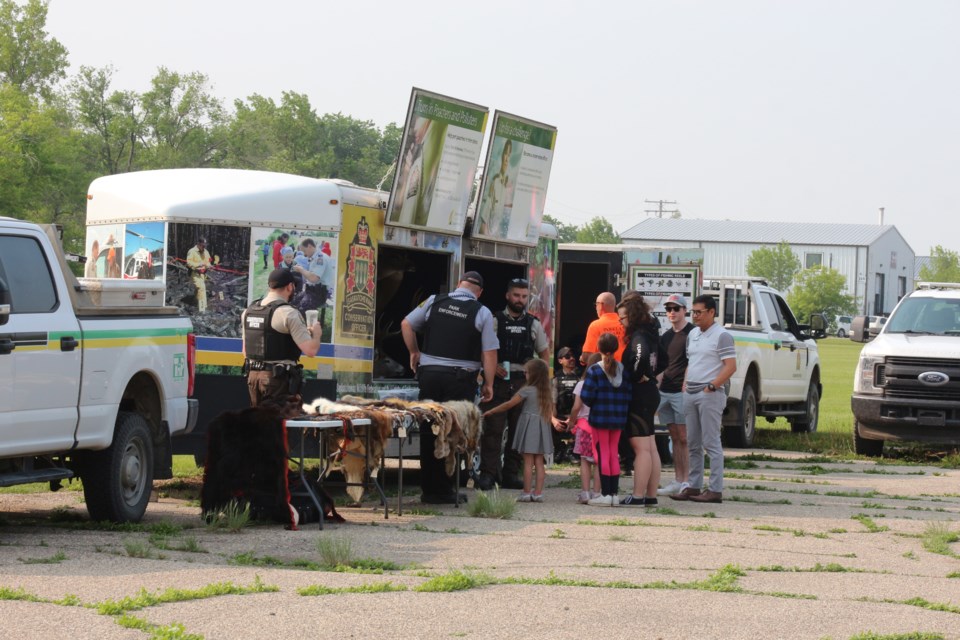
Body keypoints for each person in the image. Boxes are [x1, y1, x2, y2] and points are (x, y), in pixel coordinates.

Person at [401, 271, 499, 505]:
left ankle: (429, 490)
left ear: (458, 285)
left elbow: (406, 323)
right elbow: (489, 352)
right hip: (459, 380)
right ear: (480, 292)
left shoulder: (435, 300)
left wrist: (414, 352)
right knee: (452, 432)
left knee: (429, 429)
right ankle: (445, 491)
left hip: (430, 375)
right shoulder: (481, 312)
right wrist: (489, 383)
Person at [477, 277, 550, 491]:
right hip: (498, 382)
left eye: (524, 296)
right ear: (508, 295)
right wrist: (490, 368)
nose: (520, 300)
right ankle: (488, 475)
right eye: (516, 295)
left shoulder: (533, 323)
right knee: (492, 430)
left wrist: (540, 379)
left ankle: (510, 475)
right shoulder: (494, 320)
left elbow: (544, 354)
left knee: (521, 431)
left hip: (524, 383)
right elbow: (482, 348)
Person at [670, 294, 737, 504]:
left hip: (709, 395)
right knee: (693, 443)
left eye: (699, 312)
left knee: (711, 443)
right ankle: (693, 486)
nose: (695, 316)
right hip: (690, 392)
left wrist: (712, 386)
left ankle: (715, 490)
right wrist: (685, 383)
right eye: (693, 312)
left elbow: (730, 366)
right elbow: (692, 361)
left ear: (711, 312)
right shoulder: (694, 334)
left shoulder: (722, 335)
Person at [242, 269, 322, 408]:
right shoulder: (288, 313)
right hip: (277, 380)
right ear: (290, 286)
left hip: (253, 378)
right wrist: (316, 334)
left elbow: (245, 351)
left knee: (257, 423)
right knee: (278, 425)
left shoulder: (248, 312)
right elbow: (310, 350)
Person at [616, 294, 667, 507]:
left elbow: (641, 356)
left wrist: (637, 375)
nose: (620, 322)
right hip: (650, 392)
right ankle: (650, 495)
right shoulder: (652, 333)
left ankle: (637, 496)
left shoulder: (638, 337)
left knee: (641, 448)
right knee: (650, 447)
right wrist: (652, 375)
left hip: (639, 394)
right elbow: (664, 358)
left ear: (632, 316)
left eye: (622, 318)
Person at [482, 358, 554, 502]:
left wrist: (491, 411)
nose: (524, 375)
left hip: (530, 428)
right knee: (539, 462)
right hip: (541, 428)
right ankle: (538, 493)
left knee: (528, 462)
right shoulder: (546, 392)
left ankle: (526, 492)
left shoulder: (526, 390)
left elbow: (508, 404)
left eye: (526, 373)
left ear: (532, 375)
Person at [578, 332, 632, 506]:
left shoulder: (594, 370)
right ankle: (614, 494)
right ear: (616, 349)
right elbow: (629, 394)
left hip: (600, 418)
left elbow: (586, 395)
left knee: (602, 454)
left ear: (598, 348)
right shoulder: (623, 369)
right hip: (618, 418)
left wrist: (596, 403)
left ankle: (606, 494)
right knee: (613, 454)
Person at [657, 294, 695, 496]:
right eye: (669, 309)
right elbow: (662, 365)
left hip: (682, 391)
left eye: (676, 308)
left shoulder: (693, 333)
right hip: (666, 391)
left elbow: (693, 361)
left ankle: (687, 480)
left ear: (684, 311)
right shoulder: (666, 336)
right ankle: (677, 478)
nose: (672, 312)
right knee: (673, 435)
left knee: (684, 437)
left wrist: (686, 383)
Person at [553, 352, 602, 503]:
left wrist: (572, 421)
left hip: (585, 427)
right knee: (599, 462)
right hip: (601, 427)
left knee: (585, 461)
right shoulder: (606, 383)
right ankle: (597, 493)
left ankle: (585, 493)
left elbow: (576, 408)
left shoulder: (582, 384)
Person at [477, 139, 513, 238]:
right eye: (505, 154)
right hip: (488, 232)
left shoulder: (509, 185)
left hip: (497, 233)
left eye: (509, 155)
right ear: (502, 156)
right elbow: (487, 210)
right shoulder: (495, 180)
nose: (506, 159)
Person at [580, 292, 626, 365]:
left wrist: (582, 359)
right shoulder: (624, 324)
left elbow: (587, 356)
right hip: (623, 370)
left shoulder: (595, 325)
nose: (596, 308)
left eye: (596, 305)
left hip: (603, 371)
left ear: (600, 305)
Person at [552, 346, 580, 462]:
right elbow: (551, 403)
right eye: (567, 357)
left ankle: (571, 450)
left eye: (573, 356)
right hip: (560, 416)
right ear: (560, 361)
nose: (572, 359)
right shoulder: (555, 378)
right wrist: (553, 420)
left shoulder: (580, 377)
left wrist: (573, 419)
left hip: (576, 417)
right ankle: (559, 449)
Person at [293, 238, 329, 317]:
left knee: (302, 309)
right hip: (310, 291)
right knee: (293, 303)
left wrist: (301, 270)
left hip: (319, 293)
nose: (304, 254)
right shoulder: (314, 258)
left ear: (309, 246)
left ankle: (306, 327)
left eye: (304, 251)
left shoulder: (320, 258)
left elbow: (314, 278)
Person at [186, 238, 212, 312]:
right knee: (201, 288)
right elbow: (188, 263)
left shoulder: (206, 251)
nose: (204, 247)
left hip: (203, 274)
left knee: (199, 289)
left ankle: (195, 302)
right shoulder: (192, 251)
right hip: (195, 273)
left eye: (205, 246)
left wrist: (209, 266)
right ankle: (202, 308)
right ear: (198, 244)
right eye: (202, 246)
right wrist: (198, 264)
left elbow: (208, 261)